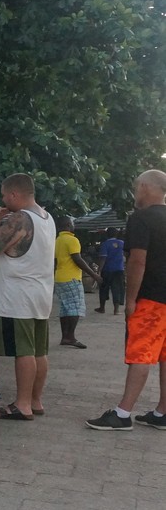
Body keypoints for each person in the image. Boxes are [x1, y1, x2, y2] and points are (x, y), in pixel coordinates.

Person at [88, 170, 166, 430]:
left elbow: (137, 260)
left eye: (135, 188)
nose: (135, 194)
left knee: (141, 354)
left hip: (150, 298)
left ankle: (122, 414)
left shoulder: (141, 218)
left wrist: (130, 299)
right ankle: (162, 412)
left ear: (144, 187)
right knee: (164, 356)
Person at [0, 173, 55, 421]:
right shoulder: (47, 218)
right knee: (38, 351)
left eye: (5, 195)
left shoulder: (19, 218)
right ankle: (35, 400)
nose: (3, 200)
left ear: (14, 194)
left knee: (24, 351)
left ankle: (22, 404)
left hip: (18, 296)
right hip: (40, 293)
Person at [54, 215, 100, 348]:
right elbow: (77, 259)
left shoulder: (57, 240)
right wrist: (94, 274)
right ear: (68, 225)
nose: (74, 225)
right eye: (72, 223)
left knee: (65, 308)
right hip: (72, 278)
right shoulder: (72, 240)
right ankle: (71, 337)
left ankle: (65, 336)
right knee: (75, 307)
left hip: (60, 277)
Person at [95, 227, 126, 315]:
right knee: (117, 289)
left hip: (107, 270)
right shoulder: (122, 243)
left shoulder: (105, 244)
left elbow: (103, 259)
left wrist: (99, 271)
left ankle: (102, 308)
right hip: (119, 269)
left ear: (107, 234)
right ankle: (116, 310)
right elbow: (126, 255)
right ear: (116, 234)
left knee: (103, 289)